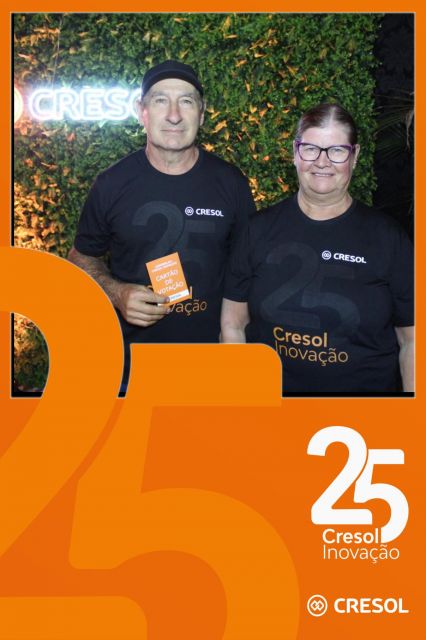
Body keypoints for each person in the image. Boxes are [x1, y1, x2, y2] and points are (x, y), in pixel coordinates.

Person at [69, 60, 255, 388]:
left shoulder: (232, 184)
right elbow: (80, 257)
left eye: (186, 101)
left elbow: (249, 271)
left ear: (202, 113)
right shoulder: (111, 184)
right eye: (160, 101)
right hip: (132, 369)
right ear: (141, 111)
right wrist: (116, 292)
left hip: (210, 366)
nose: (173, 115)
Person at [221, 103, 414, 394]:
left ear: (354, 156)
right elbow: (233, 324)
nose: (322, 162)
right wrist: (243, 400)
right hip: (273, 407)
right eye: (311, 149)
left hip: (363, 415)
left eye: (336, 150)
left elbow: (412, 341)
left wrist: (412, 412)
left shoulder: (389, 239)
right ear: (295, 152)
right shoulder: (257, 230)